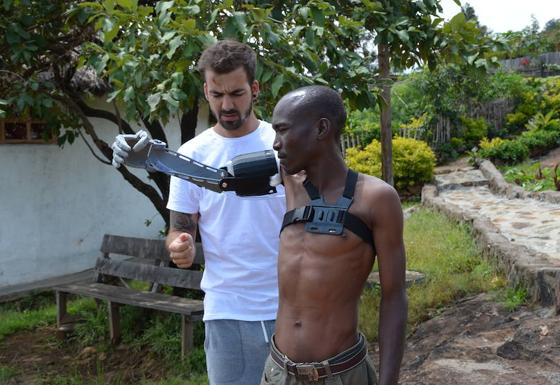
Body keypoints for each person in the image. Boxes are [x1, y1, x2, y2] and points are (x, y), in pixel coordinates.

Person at [114, 40, 286, 385]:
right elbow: (180, 230)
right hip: (226, 308)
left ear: (254, 89)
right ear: (206, 90)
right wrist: (180, 246)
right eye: (216, 94)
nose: (226, 105)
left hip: (291, 306)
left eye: (236, 94)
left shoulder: (281, 145)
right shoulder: (192, 155)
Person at [262, 85, 407, 385]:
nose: (276, 144)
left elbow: (394, 297)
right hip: (278, 373)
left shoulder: (375, 199)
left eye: (283, 130)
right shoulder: (290, 184)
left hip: (340, 375)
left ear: (321, 128)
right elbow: (214, 173)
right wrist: (152, 156)